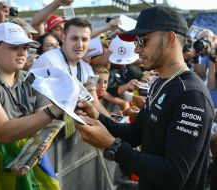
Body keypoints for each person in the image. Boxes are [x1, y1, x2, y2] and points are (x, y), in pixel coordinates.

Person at [76, 6, 214, 190]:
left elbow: (174, 175)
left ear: (170, 39)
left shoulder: (191, 95)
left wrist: (112, 147)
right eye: (135, 41)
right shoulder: (160, 83)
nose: (136, 48)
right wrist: (97, 117)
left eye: (143, 40)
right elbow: (136, 134)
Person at [0, 22, 64, 189]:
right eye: (15, 47)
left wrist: (34, 155)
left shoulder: (32, 78)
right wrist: (57, 108)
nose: (23, 52)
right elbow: (3, 132)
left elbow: (45, 128)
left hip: (31, 166)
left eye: (25, 47)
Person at [31, 17, 110, 116]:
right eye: (74, 38)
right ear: (63, 37)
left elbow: (94, 103)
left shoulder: (88, 68)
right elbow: (38, 109)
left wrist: (113, 122)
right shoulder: (47, 61)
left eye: (84, 39)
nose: (80, 45)